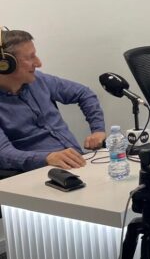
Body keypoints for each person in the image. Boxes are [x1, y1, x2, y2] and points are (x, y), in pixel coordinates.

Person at [0, 29, 105, 171]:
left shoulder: (39, 80)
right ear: (5, 64)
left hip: (77, 163)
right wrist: (47, 158)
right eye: (30, 57)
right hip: (37, 172)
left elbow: (84, 93)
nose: (38, 63)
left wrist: (98, 130)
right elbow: (3, 153)